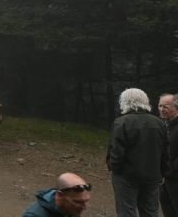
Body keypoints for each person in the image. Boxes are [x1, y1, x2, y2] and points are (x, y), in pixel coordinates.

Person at [107, 88, 168, 217]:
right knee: (150, 211)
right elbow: (165, 151)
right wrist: (163, 172)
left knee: (126, 211)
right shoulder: (159, 123)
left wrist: (114, 168)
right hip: (152, 175)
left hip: (126, 176)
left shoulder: (121, 122)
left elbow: (116, 152)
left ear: (125, 102)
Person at [23, 173, 92, 217]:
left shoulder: (69, 208)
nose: (84, 207)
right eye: (77, 202)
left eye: (85, 201)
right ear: (60, 195)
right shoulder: (35, 215)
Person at [159, 93, 178, 217]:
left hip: (175, 177)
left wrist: (170, 170)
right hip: (165, 179)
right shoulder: (164, 125)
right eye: (160, 106)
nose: (161, 109)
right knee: (167, 210)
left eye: (165, 106)